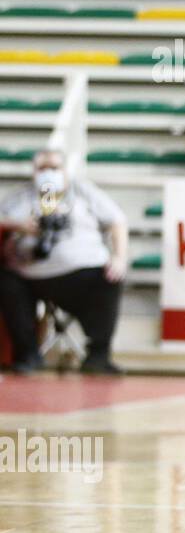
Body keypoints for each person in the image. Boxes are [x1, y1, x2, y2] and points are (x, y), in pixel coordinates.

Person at [0, 148, 127, 374]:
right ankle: (27, 355)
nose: (48, 173)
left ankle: (98, 356)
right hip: (29, 275)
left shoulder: (83, 192)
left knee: (111, 278)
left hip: (81, 273)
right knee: (5, 281)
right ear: (33, 171)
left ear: (66, 170)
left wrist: (119, 257)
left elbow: (117, 220)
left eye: (54, 168)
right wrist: (19, 226)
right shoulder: (19, 198)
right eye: (42, 169)